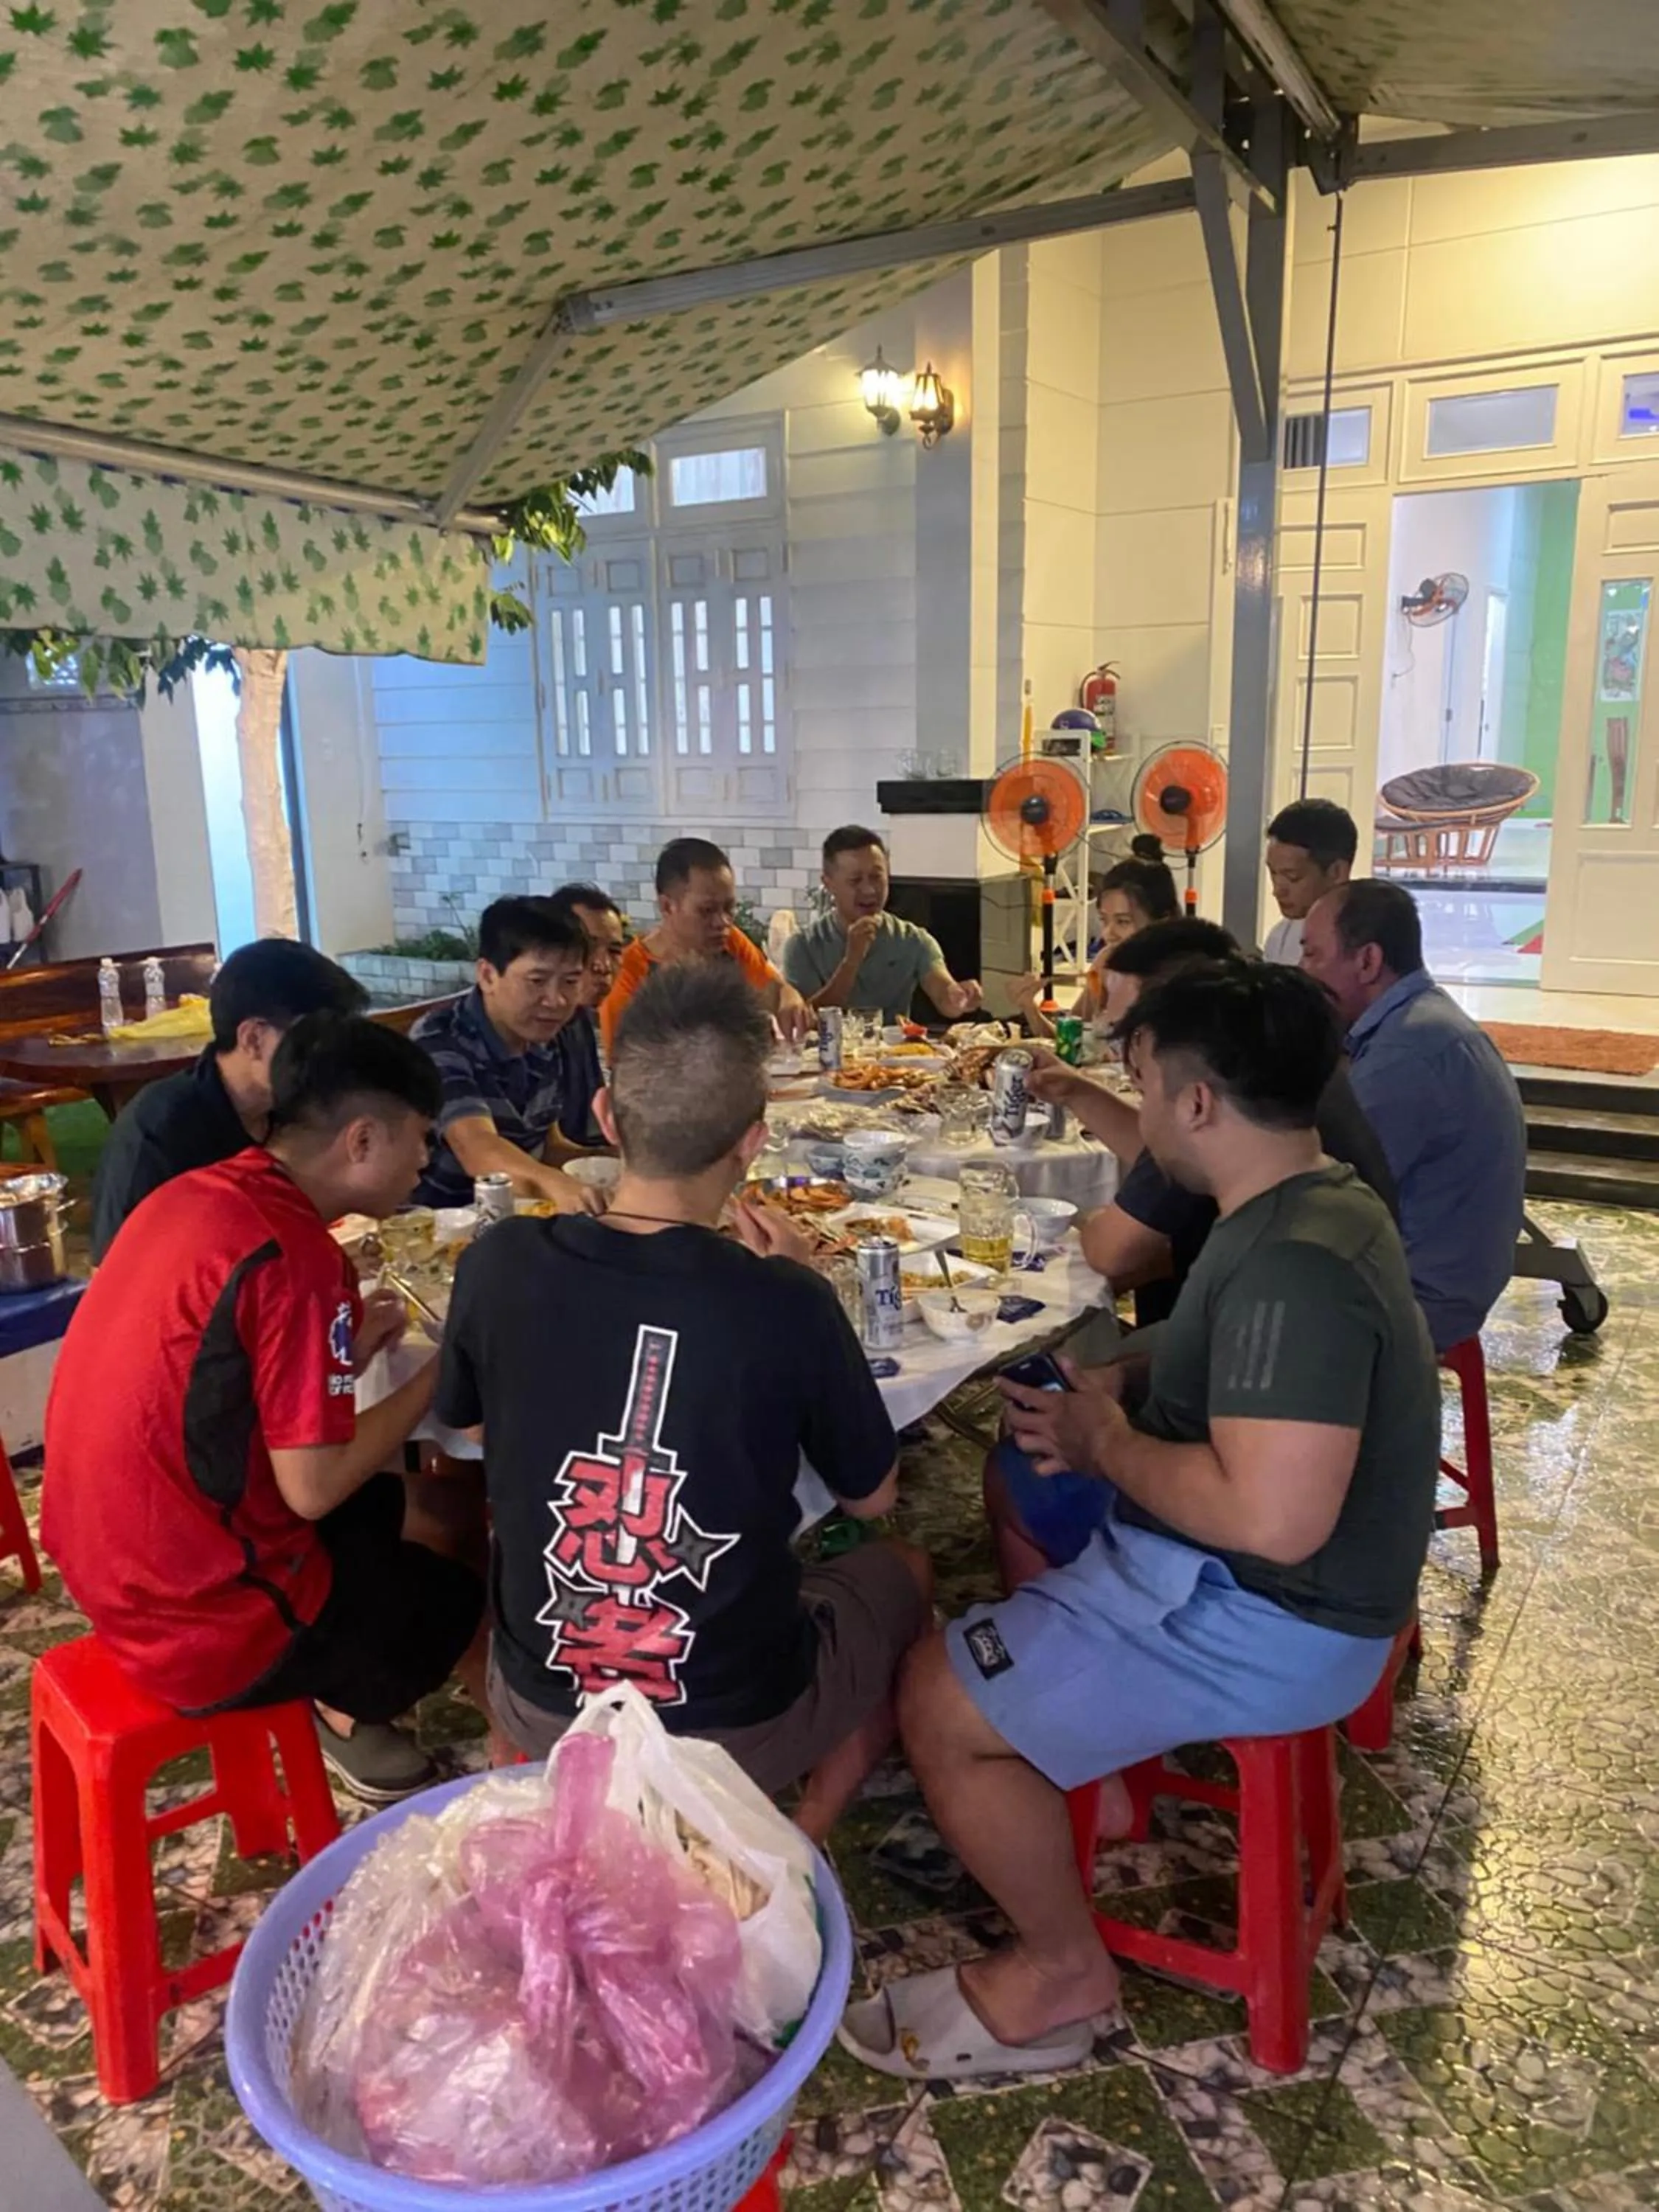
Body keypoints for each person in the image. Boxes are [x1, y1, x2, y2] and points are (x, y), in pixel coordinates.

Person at [838, 962, 1439, 2081]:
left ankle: (1062, 1969)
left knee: (934, 1694)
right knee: (1024, 1494)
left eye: (1149, 1085)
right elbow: (1239, 1363)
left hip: (1280, 1618)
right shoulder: (1315, 1199)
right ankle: (1079, 1750)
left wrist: (1101, 1442)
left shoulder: (1291, 1268)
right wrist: (1118, 1384)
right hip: (1265, 1584)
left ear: (1200, 1102)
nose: (1146, 1111)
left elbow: (1271, 1520)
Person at [437, 962, 932, 1842]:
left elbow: (471, 1428)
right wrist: (806, 1288)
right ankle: (798, 1834)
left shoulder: (497, 1263)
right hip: (728, 1727)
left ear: (604, 1119)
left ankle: (555, 1785)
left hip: (545, 1701)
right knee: (906, 1571)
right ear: (753, 1141)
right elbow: (873, 1496)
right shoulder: (785, 1298)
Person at [43, 1015, 486, 1804]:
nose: (427, 1163)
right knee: (471, 1585)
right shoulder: (295, 1255)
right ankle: (514, 1769)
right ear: (361, 1141)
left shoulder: (204, 1193)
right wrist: (444, 1366)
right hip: (194, 1619)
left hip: (106, 1567)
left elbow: (216, 1384)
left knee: (407, 1502)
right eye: (421, 1141)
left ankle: (350, 1707)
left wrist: (344, 1356)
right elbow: (312, 1488)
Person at [1054, 920, 1398, 1335]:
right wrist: (1076, 1091)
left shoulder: (1289, 1258)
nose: (1126, 1057)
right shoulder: (1281, 1069)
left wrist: (1086, 1221)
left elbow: (1114, 1252)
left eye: (1134, 1031)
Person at [1300, 879, 1526, 1353]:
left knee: (1225, 1297)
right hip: (1442, 1276)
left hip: (1423, 1294)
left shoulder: (1408, 1053)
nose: (1303, 972)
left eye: (1313, 955)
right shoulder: (1418, 1023)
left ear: (1368, 961)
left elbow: (1325, 1192)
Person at [90, 938, 368, 1262]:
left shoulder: (294, 1108)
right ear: (253, 1039)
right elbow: (118, 1277)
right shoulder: (161, 1130)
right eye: (315, 1043)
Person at [413, 896, 604, 1212]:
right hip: (443, 1226)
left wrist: (625, 1163)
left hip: (517, 1219)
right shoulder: (440, 1040)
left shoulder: (544, 1036)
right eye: (537, 981)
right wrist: (560, 1186)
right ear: (488, 975)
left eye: (570, 982)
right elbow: (478, 1149)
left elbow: (549, 1147)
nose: (556, 1000)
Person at [601, 837, 808, 1055]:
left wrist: (789, 997)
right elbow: (623, 1066)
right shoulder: (628, 972)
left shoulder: (731, 943)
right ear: (667, 906)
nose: (723, 922)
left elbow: (773, 992)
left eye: (729, 908)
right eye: (707, 911)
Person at [783, 826, 983, 1023]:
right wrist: (851, 961)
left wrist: (960, 997)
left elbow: (943, 995)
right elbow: (807, 1021)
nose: (869, 890)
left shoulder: (912, 939)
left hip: (894, 1053)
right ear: (829, 884)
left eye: (876, 877)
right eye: (855, 880)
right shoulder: (803, 945)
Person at [1012, 836, 1178, 1038]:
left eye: (1123, 922)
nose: (1108, 934)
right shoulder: (1106, 963)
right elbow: (1070, 1043)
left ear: (1162, 920)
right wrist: (1030, 1007)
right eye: (1104, 920)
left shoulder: (1180, 980)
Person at [546, 882, 626, 1148]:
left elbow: (592, 1126)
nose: (603, 966)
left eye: (614, 952)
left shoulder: (577, 1020)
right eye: (589, 947)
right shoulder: (531, 1032)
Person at [1262, 799, 1357, 965]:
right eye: (1273, 873)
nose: (1277, 891)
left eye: (1293, 877)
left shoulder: (1363, 944)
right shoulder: (1279, 938)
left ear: (1337, 872)